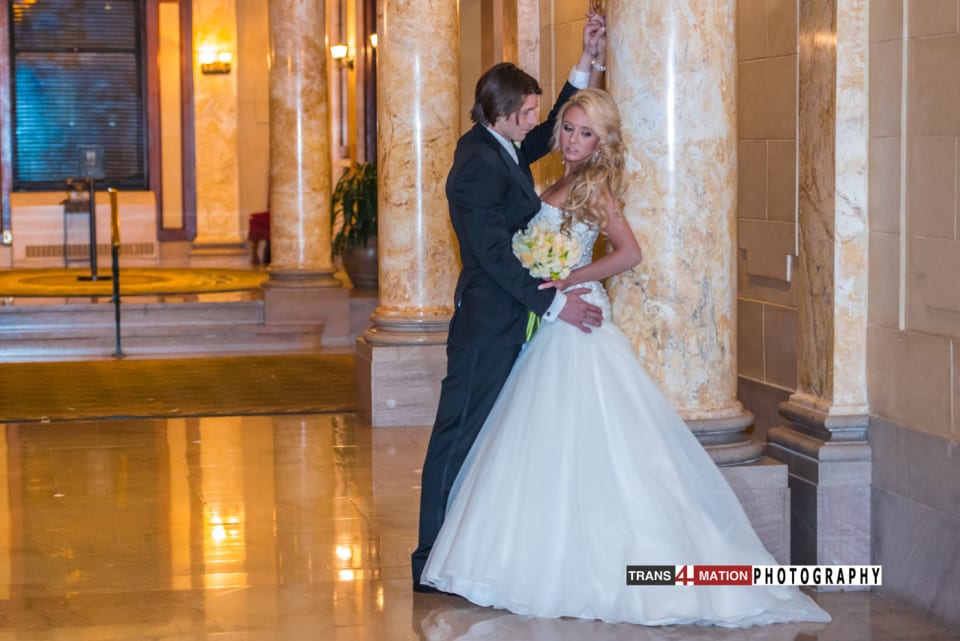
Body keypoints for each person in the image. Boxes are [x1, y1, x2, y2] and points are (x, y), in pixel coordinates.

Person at [419, 88, 832, 627]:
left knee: (596, 441)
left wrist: (571, 278)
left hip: (577, 320)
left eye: (585, 133)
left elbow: (629, 252)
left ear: (602, 142)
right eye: (568, 128)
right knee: (553, 444)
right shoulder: (557, 179)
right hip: (552, 321)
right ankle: (554, 554)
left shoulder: (592, 186)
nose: (572, 140)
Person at [411, 15, 608, 591]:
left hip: (510, 322)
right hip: (486, 326)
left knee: (487, 438)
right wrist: (554, 306)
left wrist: (585, 63)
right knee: (457, 436)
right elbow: (493, 256)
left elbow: (548, 133)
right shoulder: (476, 164)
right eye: (527, 113)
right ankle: (429, 560)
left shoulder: (497, 144)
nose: (537, 124)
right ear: (500, 113)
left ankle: (463, 550)